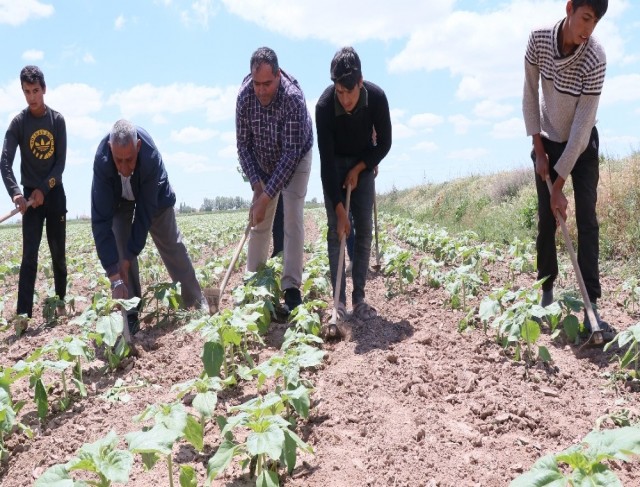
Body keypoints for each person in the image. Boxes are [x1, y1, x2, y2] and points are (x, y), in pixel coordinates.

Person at [523, 0, 615, 339]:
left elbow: (581, 129)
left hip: (582, 144)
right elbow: (529, 96)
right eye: (586, 17)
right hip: (547, 138)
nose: (588, 29)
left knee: (587, 219)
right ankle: (547, 289)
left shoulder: (595, 58)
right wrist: (539, 150)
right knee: (547, 219)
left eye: (595, 22)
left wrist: (560, 184)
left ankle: (592, 302)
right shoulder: (538, 41)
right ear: (570, 8)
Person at [91, 119, 208, 334]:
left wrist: (129, 257)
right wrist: (114, 273)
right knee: (119, 241)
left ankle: (195, 305)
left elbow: (145, 213)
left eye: (130, 160)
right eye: (119, 161)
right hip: (119, 201)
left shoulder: (150, 157)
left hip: (154, 198)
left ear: (138, 147)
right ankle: (131, 313)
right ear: (110, 149)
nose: (125, 168)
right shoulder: (102, 160)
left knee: (172, 244)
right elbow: (100, 222)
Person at [316, 46, 392, 321]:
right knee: (337, 231)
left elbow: (384, 144)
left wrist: (360, 168)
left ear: (360, 82)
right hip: (334, 163)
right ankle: (338, 302)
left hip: (363, 159)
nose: (345, 99)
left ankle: (359, 297)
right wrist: (338, 211)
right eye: (340, 92)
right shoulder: (324, 107)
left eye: (350, 91)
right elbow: (325, 163)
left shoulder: (378, 98)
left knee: (363, 228)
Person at [236, 47, 313, 315]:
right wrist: (258, 189)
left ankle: (291, 289)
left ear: (278, 76)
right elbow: (243, 146)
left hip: (296, 156)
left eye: (267, 83)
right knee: (259, 221)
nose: (261, 90)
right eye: (257, 83)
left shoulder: (292, 99)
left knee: (292, 216)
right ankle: (253, 284)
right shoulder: (244, 97)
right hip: (263, 158)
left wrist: (268, 196)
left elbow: (290, 156)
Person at [1, 65, 68, 333]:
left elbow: (60, 164)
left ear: (44, 89)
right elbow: (5, 161)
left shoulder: (57, 121)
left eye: (36, 91)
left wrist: (44, 189)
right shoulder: (19, 123)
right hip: (29, 199)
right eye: (27, 92)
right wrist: (17, 193)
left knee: (58, 254)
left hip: (54, 195)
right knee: (29, 256)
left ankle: (61, 303)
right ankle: (23, 315)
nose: (32, 97)